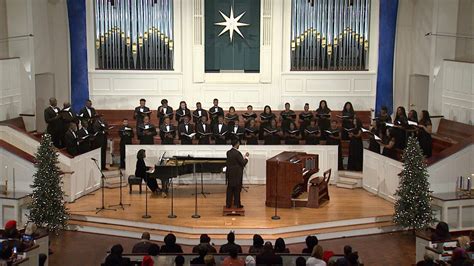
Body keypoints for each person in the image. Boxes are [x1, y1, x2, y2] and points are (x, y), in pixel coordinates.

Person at [225, 140, 249, 209]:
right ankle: (237, 204)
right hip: (237, 174)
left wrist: (242, 157)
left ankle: (228, 204)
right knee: (237, 189)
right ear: (237, 144)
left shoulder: (228, 152)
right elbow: (243, 163)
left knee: (230, 189)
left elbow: (236, 161)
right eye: (239, 144)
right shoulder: (237, 153)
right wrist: (246, 157)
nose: (239, 145)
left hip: (230, 173)